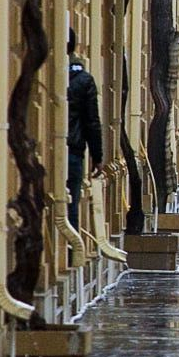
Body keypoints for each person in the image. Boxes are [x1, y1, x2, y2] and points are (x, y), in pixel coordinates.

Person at [65, 29, 104, 228]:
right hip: (73, 151)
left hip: (47, 154)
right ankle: (72, 256)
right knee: (71, 204)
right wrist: (97, 157)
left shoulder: (47, 74)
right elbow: (92, 122)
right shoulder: (84, 80)